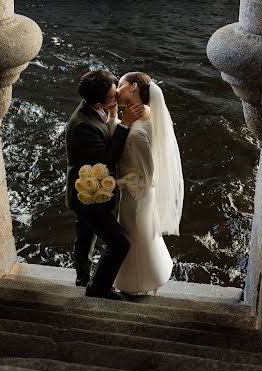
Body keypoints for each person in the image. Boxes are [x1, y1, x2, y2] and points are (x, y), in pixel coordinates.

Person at [65, 69, 144, 301]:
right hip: (87, 196)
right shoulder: (82, 125)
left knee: (85, 236)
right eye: (113, 96)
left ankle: (82, 280)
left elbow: (104, 133)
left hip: (88, 191)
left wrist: (113, 115)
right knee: (120, 243)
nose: (117, 96)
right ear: (99, 102)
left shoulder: (95, 109)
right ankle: (97, 287)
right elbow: (107, 158)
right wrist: (125, 123)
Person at [113, 72, 184, 295]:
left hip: (136, 194)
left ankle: (137, 282)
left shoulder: (137, 134)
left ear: (133, 87)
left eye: (120, 85)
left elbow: (145, 174)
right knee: (140, 236)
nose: (116, 89)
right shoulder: (146, 111)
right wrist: (117, 116)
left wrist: (116, 182)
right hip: (137, 191)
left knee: (133, 235)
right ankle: (149, 272)